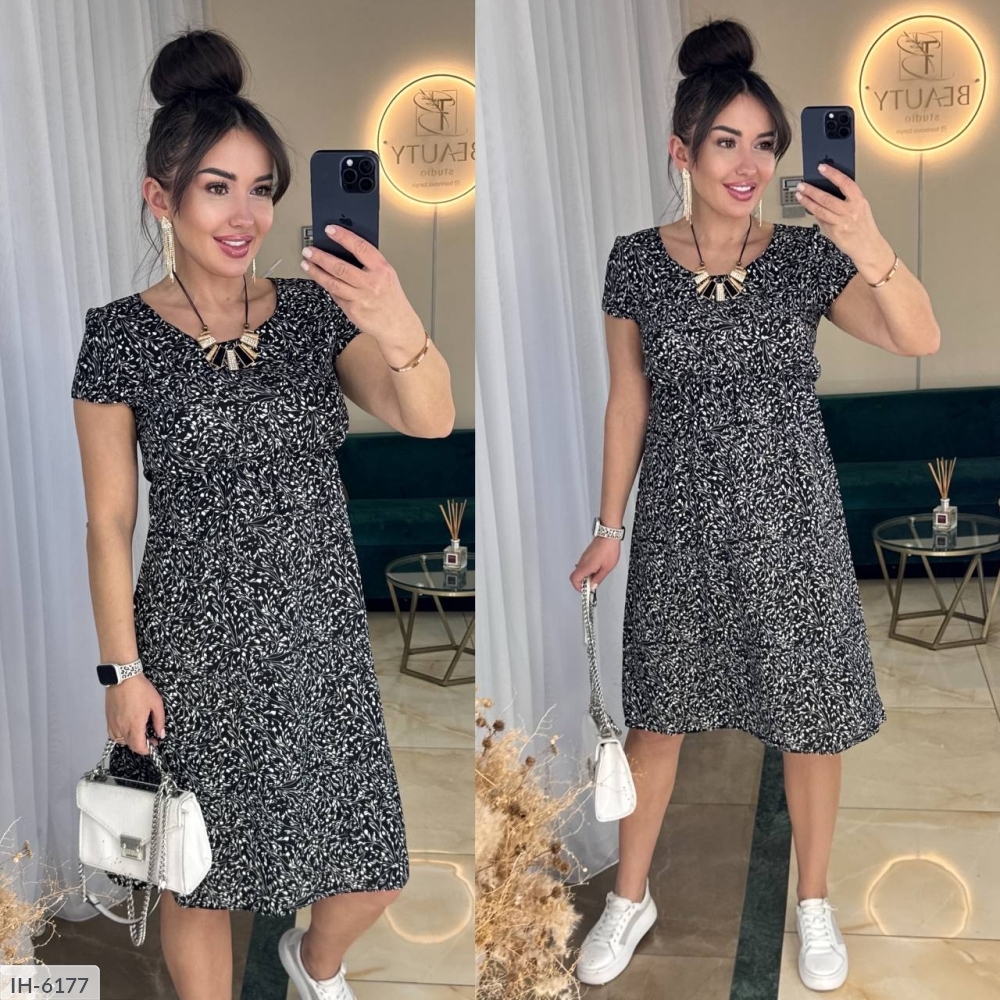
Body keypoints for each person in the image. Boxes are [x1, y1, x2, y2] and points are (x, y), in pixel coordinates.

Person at [70, 29, 454, 1000]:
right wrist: (122, 670)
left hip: (320, 633)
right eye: (217, 188)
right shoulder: (117, 336)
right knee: (199, 874)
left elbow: (426, 416)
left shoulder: (316, 314)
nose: (245, 215)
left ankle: (310, 962)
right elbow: (108, 521)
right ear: (160, 196)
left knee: (370, 864)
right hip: (192, 643)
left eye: (262, 189)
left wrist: (396, 317)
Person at [568, 18, 939, 994]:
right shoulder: (634, 261)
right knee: (659, 720)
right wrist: (608, 526)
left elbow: (917, 337)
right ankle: (630, 896)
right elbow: (627, 400)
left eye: (765, 144)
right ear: (681, 150)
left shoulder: (808, 256)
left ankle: (812, 900)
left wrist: (865, 239)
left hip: (793, 519)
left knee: (810, 720)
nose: (749, 164)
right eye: (726, 142)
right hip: (678, 522)